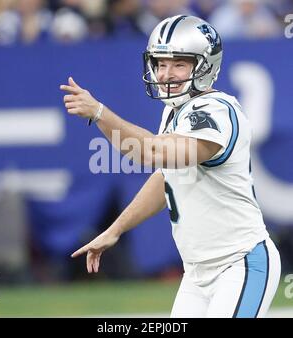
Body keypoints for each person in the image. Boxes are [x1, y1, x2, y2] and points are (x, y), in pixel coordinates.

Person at [60, 15, 281, 318]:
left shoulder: (217, 111)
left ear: (205, 66)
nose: (166, 74)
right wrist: (116, 229)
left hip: (240, 263)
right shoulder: (176, 111)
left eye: (179, 64)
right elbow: (167, 176)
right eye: (161, 64)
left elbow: (148, 151)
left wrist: (100, 113)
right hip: (196, 273)